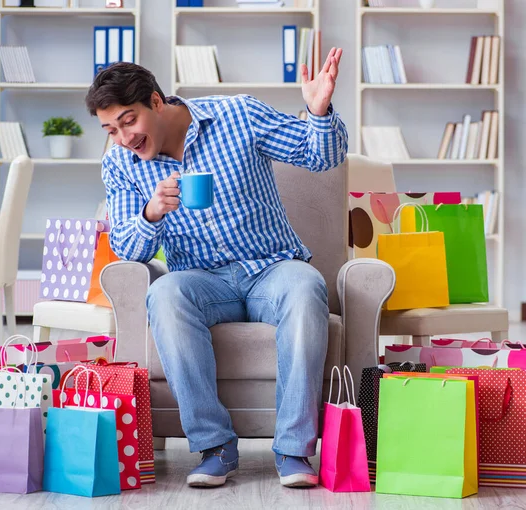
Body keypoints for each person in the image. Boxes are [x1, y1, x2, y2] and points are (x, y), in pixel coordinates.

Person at [85, 49, 348, 489]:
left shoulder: (237, 115)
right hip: (202, 281)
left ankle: (293, 449)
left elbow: (319, 156)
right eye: (111, 129)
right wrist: (151, 213)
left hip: (272, 268)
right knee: (165, 294)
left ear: (155, 101)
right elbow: (128, 250)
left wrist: (318, 113)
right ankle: (214, 447)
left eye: (128, 121)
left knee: (307, 287)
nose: (123, 137)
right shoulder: (121, 165)